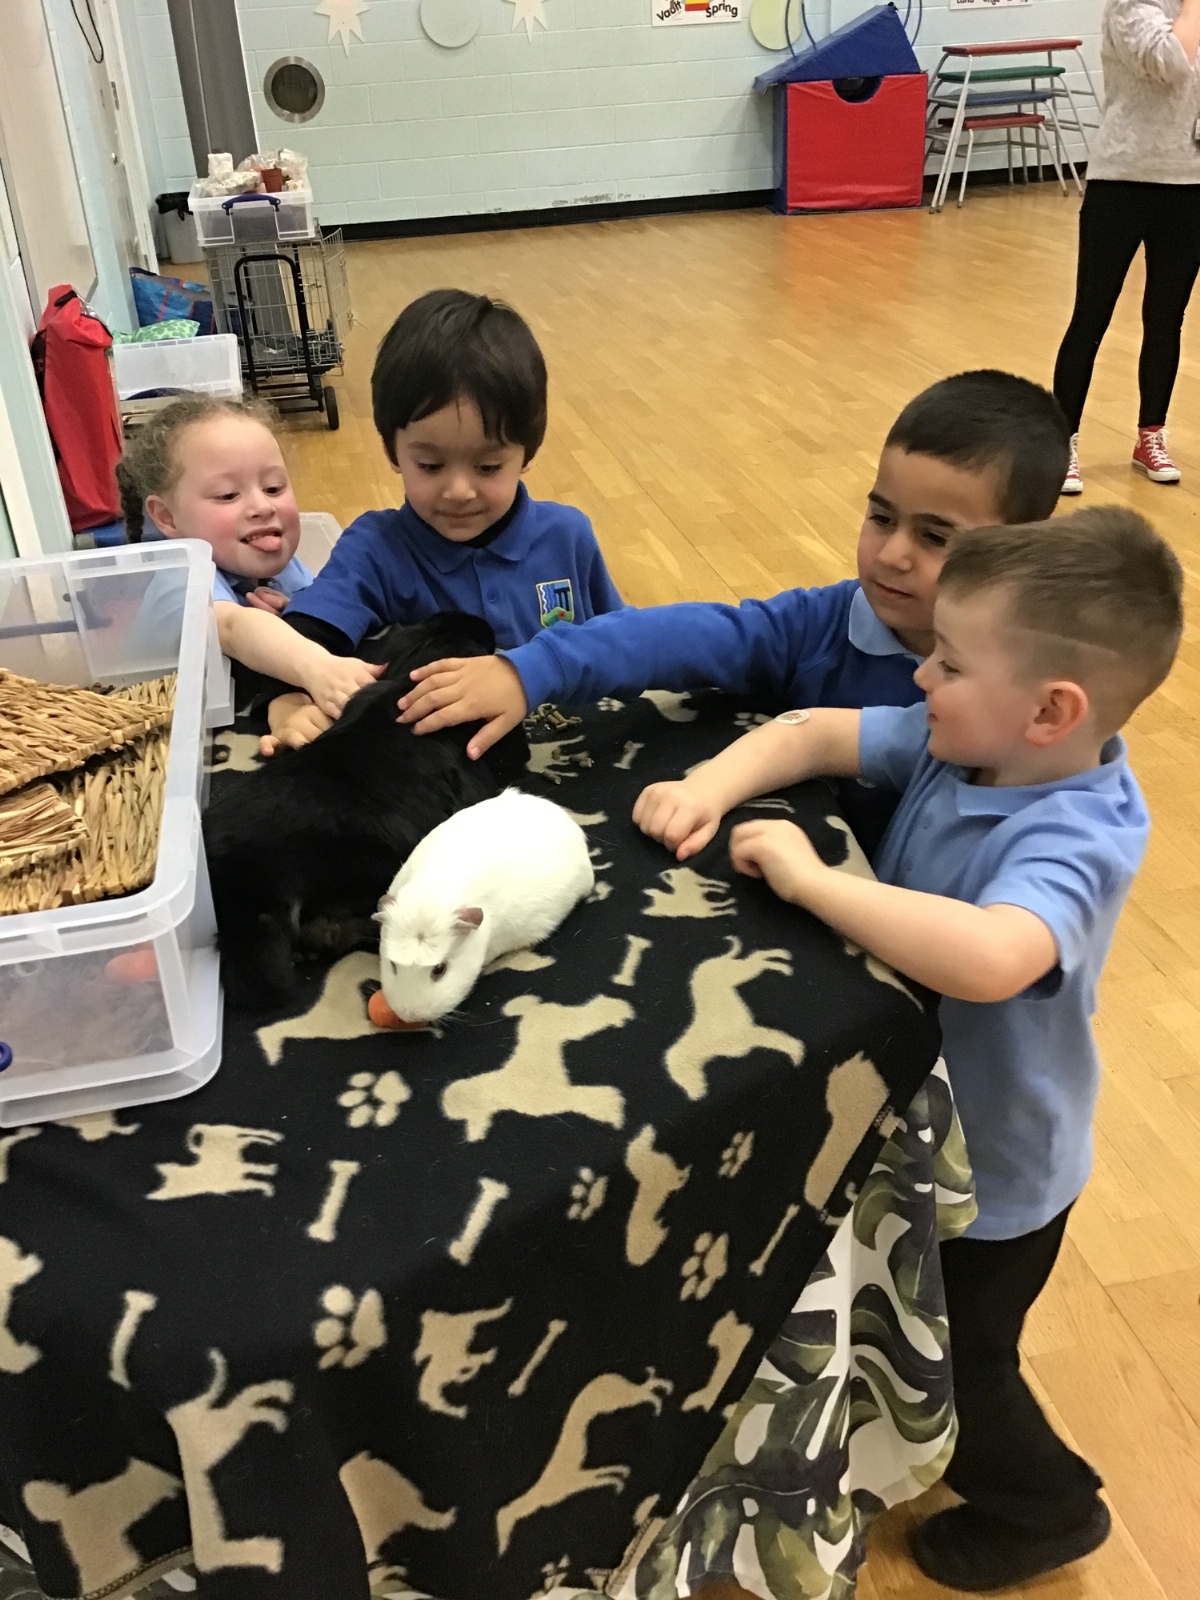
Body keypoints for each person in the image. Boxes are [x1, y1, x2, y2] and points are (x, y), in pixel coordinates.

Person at [633, 505, 1183, 1592]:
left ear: (1050, 711)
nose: (919, 675)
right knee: (899, 1315)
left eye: (950, 662)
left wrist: (814, 882)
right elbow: (811, 732)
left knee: (963, 1364)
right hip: (919, 1132)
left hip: (999, 1180)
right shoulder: (969, 746)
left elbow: (991, 954)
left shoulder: (1077, 833)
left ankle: (1048, 1508)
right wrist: (708, 787)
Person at [396, 369, 1071, 855]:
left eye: (935, 537)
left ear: (1020, 552)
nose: (892, 555)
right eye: (881, 517)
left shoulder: (1035, 708)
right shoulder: (821, 625)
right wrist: (530, 670)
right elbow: (677, 635)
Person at [242, 288, 625, 752]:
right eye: (430, 465)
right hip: (440, 769)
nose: (459, 491)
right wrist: (286, 703)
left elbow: (625, 646)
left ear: (527, 453)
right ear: (392, 450)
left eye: (488, 467)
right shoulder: (375, 548)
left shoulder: (567, 537)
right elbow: (306, 637)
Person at [118, 396, 378, 720]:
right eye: (228, 495)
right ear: (168, 517)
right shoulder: (182, 577)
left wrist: (297, 613)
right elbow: (232, 627)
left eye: (273, 488)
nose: (263, 507)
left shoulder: (282, 568)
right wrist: (318, 666)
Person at [1053, 0, 1200, 494]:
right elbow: (1171, 63)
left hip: (1190, 183)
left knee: (1167, 317)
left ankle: (1151, 435)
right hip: (1122, 180)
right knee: (1091, 315)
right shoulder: (1130, 6)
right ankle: (1063, 440)